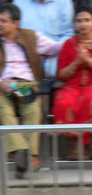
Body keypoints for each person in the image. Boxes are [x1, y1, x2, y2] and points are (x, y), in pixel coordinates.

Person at [0, 3, 62, 177]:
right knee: (5, 111)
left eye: (3, 21)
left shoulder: (32, 36)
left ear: (16, 23)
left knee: (33, 109)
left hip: (25, 85)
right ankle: (27, 155)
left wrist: (78, 40)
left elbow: (55, 48)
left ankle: (26, 158)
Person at [53, 4, 92, 160]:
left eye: (87, 20)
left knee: (90, 99)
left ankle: (87, 145)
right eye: (79, 21)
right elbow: (61, 75)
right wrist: (76, 63)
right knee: (64, 101)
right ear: (74, 24)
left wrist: (87, 60)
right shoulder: (69, 44)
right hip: (72, 86)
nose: (83, 24)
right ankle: (76, 146)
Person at [14, 0, 73, 78]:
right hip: (25, 60)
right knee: (18, 88)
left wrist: (53, 54)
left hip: (56, 59)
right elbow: (13, 33)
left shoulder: (64, 2)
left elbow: (69, 34)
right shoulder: (19, 2)